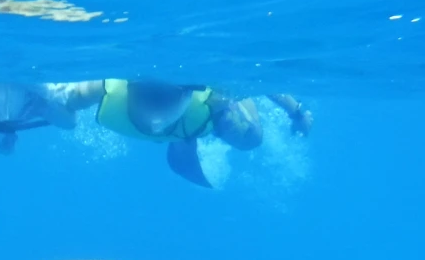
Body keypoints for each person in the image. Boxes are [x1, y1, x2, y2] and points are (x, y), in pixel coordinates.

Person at [57, 79, 313, 187]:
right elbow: (60, 101)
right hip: (190, 120)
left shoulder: (214, 97)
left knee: (250, 139)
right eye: (147, 91)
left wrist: (297, 112)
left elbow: (259, 79)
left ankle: (193, 130)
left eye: (168, 94)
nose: (156, 103)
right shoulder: (95, 90)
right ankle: (183, 136)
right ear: (130, 85)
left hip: (208, 111)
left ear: (190, 92)